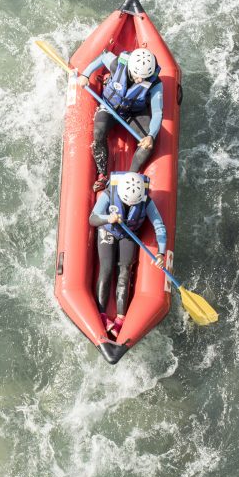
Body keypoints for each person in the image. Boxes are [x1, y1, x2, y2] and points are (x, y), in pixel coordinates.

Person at [89, 171, 168, 339]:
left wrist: (161, 253)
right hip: (108, 230)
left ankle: (120, 319)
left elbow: (159, 225)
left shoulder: (145, 200)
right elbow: (93, 218)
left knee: (124, 272)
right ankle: (102, 315)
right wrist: (107, 218)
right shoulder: (110, 193)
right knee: (107, 269)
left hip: (128, 234)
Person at [76, 48, 163, 192]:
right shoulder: (118, 64)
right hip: (109, 107)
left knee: (147, 146)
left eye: (144, 77)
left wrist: (150, 135)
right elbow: (103, 57)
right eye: (138, 76)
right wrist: (86, 74)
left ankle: (130, 177)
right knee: (98, 132)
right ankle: (102, 173)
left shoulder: (155, 83)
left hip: (134, 112)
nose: (141, 80)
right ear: (131, 68)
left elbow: (158, 111)